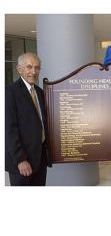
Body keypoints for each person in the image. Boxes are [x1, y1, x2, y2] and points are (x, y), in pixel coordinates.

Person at [5, 52, 52, 186]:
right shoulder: (9, 93)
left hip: (40, 159)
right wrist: (20, 160)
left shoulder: (40, 92)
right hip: (22, 162)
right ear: (19, 69)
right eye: (29, 67)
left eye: (37, 68)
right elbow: (9, 130)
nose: (34, 71)